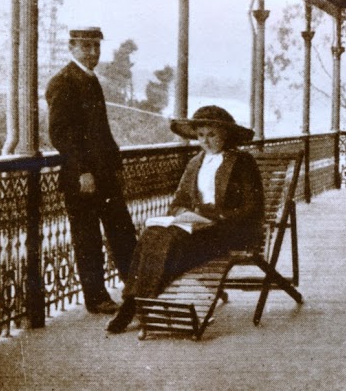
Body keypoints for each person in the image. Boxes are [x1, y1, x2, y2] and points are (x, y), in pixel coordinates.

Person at [106, 105, 263, 334]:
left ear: (225, 135)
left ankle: (137, 305)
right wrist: (183, 215)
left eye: (212, 135)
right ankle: (135, 303)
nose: (205, 142)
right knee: (153, 234)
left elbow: (253, 208)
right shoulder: (195, 163)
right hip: (196, 227)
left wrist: (217, 216)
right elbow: (178, 202)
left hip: (228, 231)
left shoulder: (242, 162)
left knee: (171, 243)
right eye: (200, 136)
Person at [46, 27, 137, 315]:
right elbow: (61, 134)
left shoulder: (89, 78)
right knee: (88, 240)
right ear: (72, 47)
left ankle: (136, 290)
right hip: (82, 177)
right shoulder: (63, 82)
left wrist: (115, 166)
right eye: (86, 47)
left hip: (104, 175)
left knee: (122, 231)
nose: (93, 52)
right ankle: (96, 298)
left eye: (96, 47)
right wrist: (84, 171)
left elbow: (101, 132)